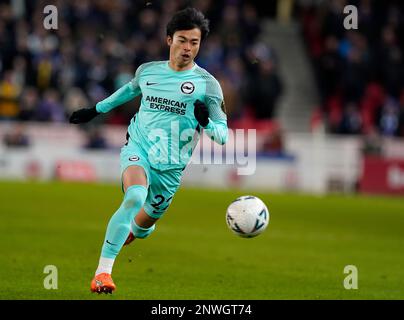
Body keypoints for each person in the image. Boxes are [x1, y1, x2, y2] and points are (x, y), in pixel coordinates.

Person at [69, 7, 228, 294]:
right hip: (139, 147)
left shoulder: (208, 86)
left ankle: (137, 229)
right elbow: (130, 90)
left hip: (170, 167)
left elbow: (222, 134)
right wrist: (96, 110)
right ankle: (102, 273)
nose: (188, 48)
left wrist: (206, 123)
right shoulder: (148, 71)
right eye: (182, 40)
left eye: (194, 42)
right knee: (134, 196)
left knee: (142, 227)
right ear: (169, 40)